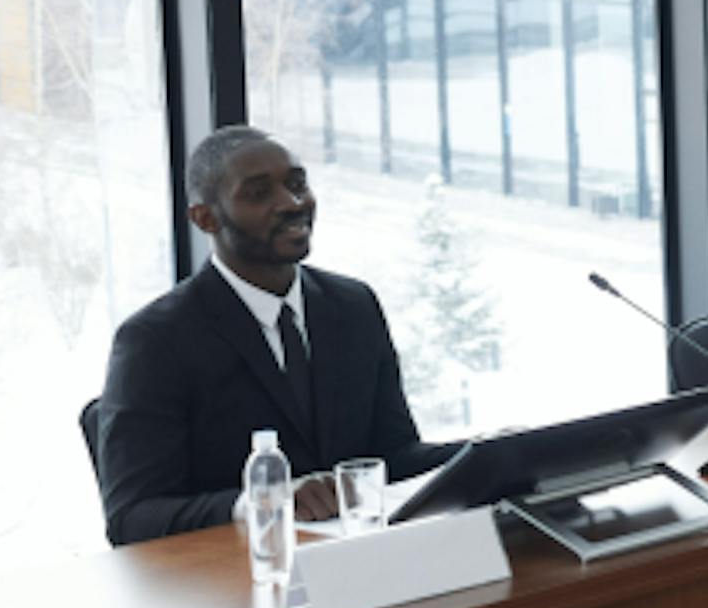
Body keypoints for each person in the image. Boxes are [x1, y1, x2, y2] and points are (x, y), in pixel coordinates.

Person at [91, 127, 456, 545]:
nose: (292, 203)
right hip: (234, 582)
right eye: (259, 193)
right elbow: (132, 517)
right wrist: (259, 502)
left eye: (297, 184)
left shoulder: (353, 305)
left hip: (356, 566)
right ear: (205, 218)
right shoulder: (155, 340)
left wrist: (492, 454)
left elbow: (393, 457)